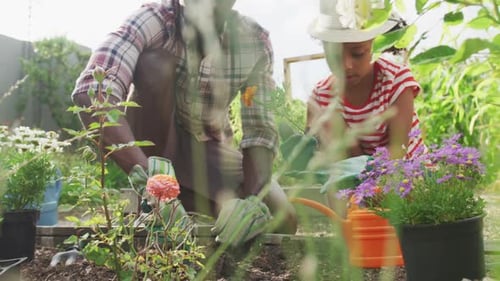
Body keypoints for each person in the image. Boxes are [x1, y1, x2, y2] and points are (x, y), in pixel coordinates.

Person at [71, 0, 297, 246]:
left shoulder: (253, 42)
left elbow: (259, 131)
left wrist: (252, 201)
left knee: (281, 216)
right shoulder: (153, 20)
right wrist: (152, 185)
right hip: (153, 145)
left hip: (208, 148)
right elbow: (92, 93)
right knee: (154, 66)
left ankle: (189, 203)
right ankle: (156, 200)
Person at [305, 0, 426, 161]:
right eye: (335, 54)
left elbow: (398, 150)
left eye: (358, 53)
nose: (346, 65)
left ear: (377, 45)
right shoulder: (321, 97)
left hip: (407, 175)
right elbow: (312, 150)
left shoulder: (396, 81)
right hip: (354, 178)